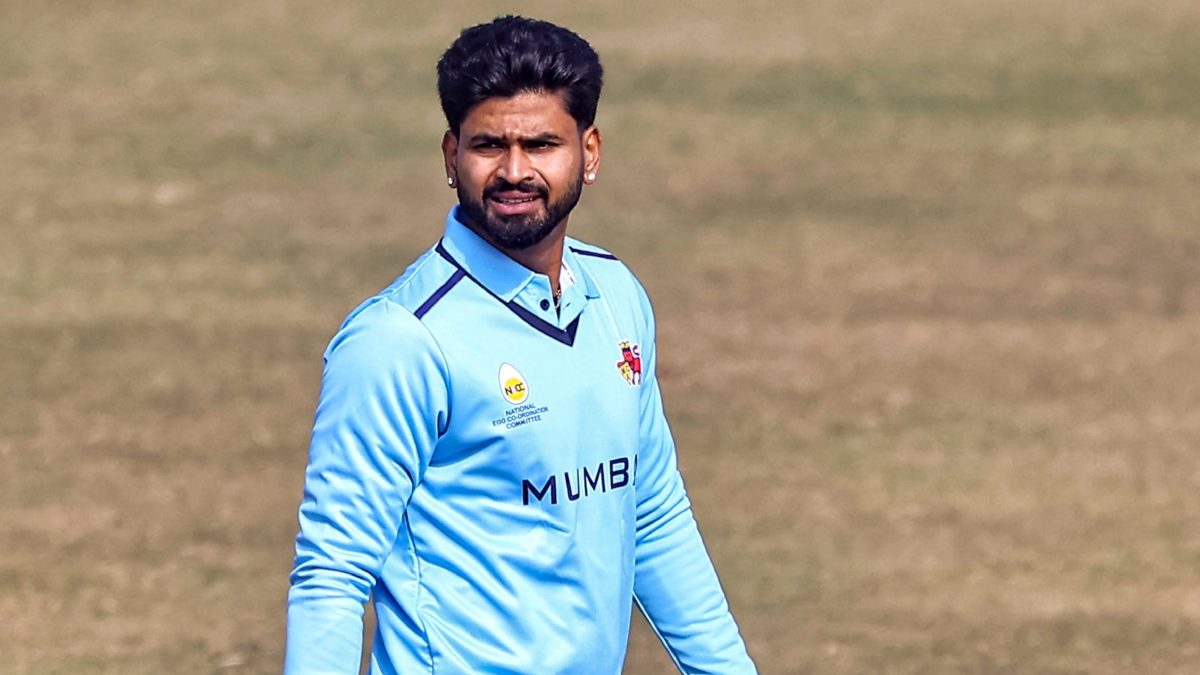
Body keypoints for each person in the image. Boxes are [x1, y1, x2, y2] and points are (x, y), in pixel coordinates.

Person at [285, 15, 757, 675]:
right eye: (488, 146)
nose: (514, 171)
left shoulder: (617, 296)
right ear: (451, 157)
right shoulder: (399, 340)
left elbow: (649, 509)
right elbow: (332, 574)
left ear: (589, 153)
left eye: (540, 144)